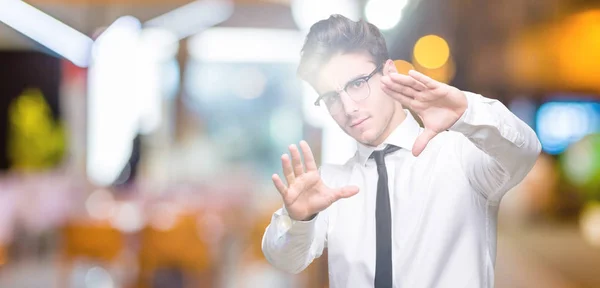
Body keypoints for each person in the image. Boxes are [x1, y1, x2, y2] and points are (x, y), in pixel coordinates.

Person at [261, 14, 541, 288]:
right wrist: (298, 220)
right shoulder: (329, 185)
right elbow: (285, 259)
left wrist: (468, 110)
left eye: (357, 84)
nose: (348, 108)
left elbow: (525, 151)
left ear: (390, 72)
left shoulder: (459, 156)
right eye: (332, 97)